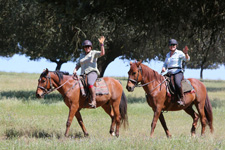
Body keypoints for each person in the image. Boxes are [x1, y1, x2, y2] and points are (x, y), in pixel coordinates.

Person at [73, 36, 105, 108]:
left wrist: (102, 45)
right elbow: (78, 64)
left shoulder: (93, 53)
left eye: (88, 46)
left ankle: (94, 101)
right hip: (83, 74)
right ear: (84, 48)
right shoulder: (81, 55)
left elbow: (102, 53)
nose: (87, 48)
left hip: (92, 72)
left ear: (91, 47)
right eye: (85, 47)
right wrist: (75, 70)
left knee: (90, 83)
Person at [161, 39, 190, 106]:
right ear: (169, 46)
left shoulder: (179, 53)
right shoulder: (168, 54)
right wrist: (164, 67)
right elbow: (165, 63)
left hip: (177, 72)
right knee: (162, 82)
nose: (172, 46)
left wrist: (186, 54)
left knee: (177, 83)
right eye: (171, 45)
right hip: (169, 72)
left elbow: (187, 59)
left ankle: (182, 99)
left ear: (176, 45)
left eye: (174, 45)